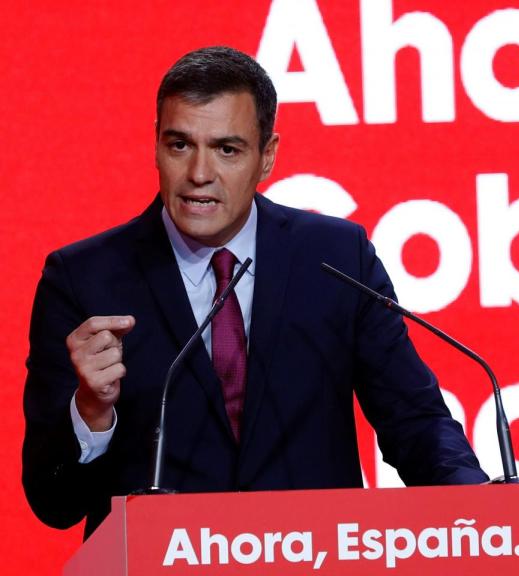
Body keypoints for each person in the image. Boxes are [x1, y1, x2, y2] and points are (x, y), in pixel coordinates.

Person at [22, 46, 488, 538]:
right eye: (180, 145)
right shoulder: (84, 278)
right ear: (155, 145)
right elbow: (53, 503)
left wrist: (484, 515)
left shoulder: (334, 258)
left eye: (227, 149)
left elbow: (415, 422)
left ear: (267, 155)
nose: (200, 173)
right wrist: (92, 413)